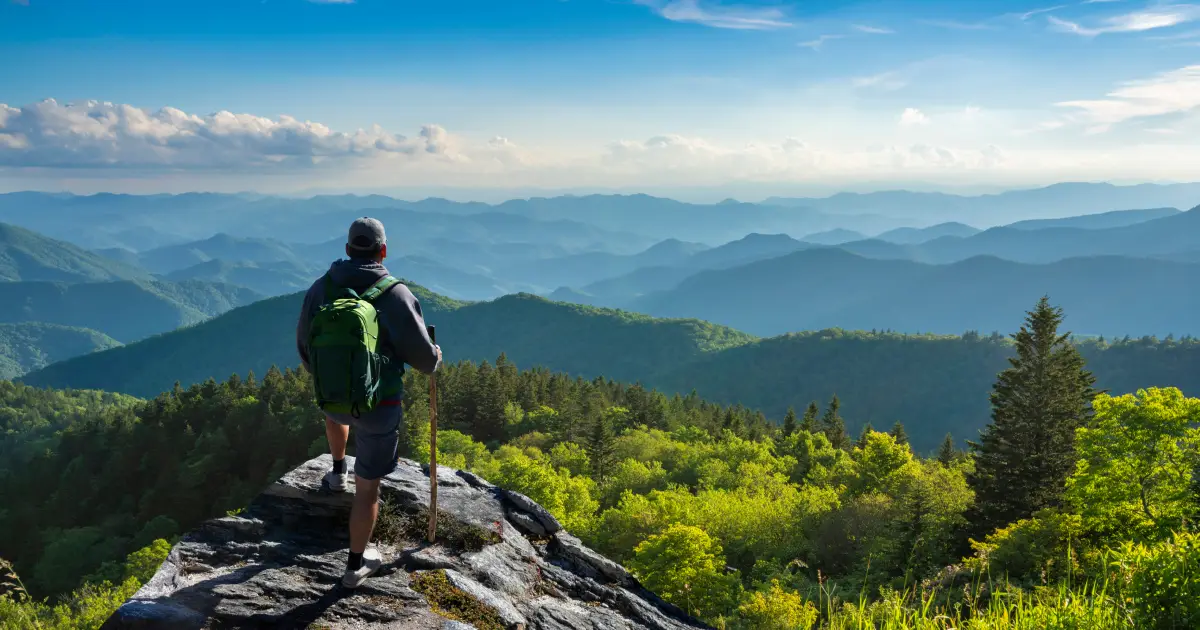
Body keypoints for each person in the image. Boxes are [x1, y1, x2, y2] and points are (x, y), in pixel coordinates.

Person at [296, 216, 441, 588]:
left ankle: (336, 470)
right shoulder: (396, 294)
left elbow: (305, 346)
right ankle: (355, 566)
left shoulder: (320, 289)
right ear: (383, 250)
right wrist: (436, 354)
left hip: (332, 399)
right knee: (369, 490)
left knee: (337, 414)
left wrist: (330, 378)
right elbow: (425, 361)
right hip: (380, 406)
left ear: (347, 249)